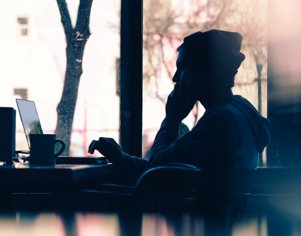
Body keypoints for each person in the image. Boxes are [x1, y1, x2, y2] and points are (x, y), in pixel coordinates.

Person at [89, 29, 270, 185]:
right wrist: (122, 159)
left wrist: (172, 119)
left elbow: (157, 171)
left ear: (204, 72)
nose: (175, 78)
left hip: (199, 221)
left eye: (182, 67)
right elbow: (170, 165)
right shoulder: (239, 109)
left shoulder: (220, 121)